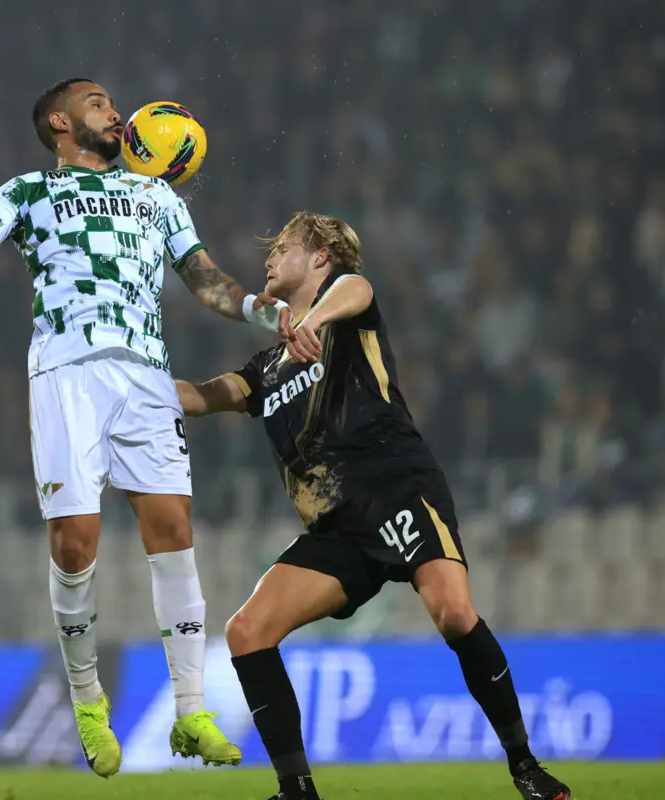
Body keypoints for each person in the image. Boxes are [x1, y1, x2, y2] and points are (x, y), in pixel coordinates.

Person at [0, 77, 289, 778]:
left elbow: (206, 280)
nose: (115, 109)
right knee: (75, 541)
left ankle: (190, 710)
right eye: (98, 101)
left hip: (147, 375)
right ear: (60, 123)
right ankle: (88, 701)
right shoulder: (29, 192)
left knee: (174, 532)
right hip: (68, 370)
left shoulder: (158, 197)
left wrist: (262, 312)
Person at [175, 212, 573, 800]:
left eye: (283, 247)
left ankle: (525, 767)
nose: (267, 259)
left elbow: (356, 286)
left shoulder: (346, 308)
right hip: (336, 528)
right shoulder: (267, 365)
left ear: (320, 259)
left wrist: (310, 319)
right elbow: (203, 398)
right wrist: (125, 385)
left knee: (454, 614)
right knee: (246, 632)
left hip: (396, 488)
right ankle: (297, 790)